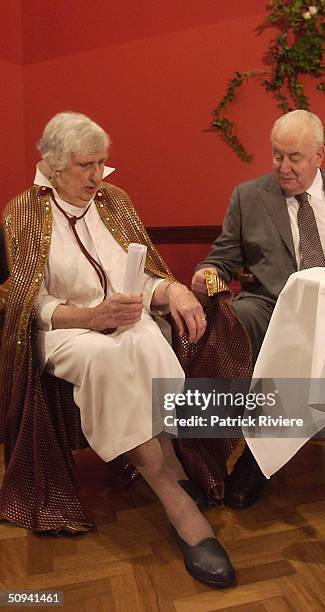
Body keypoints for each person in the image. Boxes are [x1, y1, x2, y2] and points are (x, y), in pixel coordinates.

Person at [0, 112, 234, 588]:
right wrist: (88, 317)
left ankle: (165, 460)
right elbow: (27, 301)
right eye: (86, 165)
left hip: (119, 319)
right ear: (53, 165)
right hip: (62, 333)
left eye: (101, 163)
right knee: (105, 357)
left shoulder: (114, 202)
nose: (97, 177)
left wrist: (174, 291)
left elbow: (144, 277)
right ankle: (174, 497)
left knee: (149, 341)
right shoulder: (22, 213)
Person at [192, 109, 325, 508]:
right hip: (277, 307)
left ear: (320, 155)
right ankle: (257, 457)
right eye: (276, 156)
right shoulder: (248, 196)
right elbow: (221, 258)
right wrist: (206, 273)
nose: (283, 168)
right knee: (248, 321)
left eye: (295, 157)